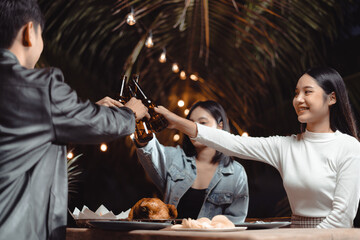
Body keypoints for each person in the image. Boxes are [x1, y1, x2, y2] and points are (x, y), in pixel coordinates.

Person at [0, 1, 149, 239]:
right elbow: (101, 125)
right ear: (30, 32)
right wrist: (129, 112)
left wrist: (87, 110)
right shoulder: (42, 87)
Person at [155, 67, 360, 228]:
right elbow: (233, 143)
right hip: (297, 232)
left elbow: (342, 217)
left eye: (307, 92)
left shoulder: (349, 147)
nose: (298, 100)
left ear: (331, 98)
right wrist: (176, 121)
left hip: (334, 235)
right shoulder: (285, 146)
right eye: (296, 93)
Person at [135, 101, 249, 224]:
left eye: (203, 122)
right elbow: (149, 149)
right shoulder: (175, 159)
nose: (195, 127)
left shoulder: (236, 173)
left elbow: (234, 224)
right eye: (191, 123)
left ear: (220, 126)